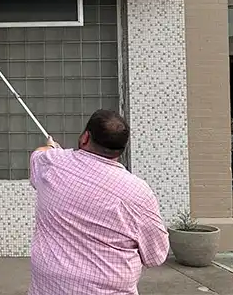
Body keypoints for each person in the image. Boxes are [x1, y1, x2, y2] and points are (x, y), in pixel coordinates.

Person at [28, 109, 169, 295]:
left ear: (85, 137)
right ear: (121, 148)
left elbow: (37, 154)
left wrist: (52, 147)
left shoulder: (52, 163)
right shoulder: (138, 193)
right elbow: (155, 255)